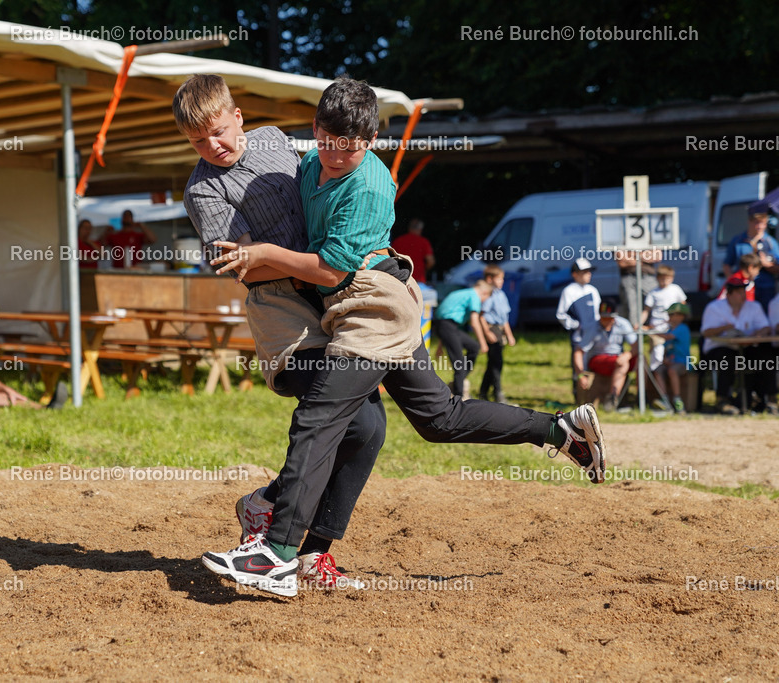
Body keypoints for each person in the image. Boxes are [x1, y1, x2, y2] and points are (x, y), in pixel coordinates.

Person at [203, 76, 607, 597]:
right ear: (315, 128)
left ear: (371, 141)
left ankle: (276, 553)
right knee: (439, 418)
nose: (334, 156)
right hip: (359, 301)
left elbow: (331, 270)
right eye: (325, 142)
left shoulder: (370, 185)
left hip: (372, 303)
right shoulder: (309, 163)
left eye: (348, 149)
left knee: (321, 417)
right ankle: (559, 430)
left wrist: (262, 254)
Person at [173, 73, 386, 589]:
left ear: (238, 117)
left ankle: (306, 547)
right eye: (198, 141)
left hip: (333, 299)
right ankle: (277, 533)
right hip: (280, 313)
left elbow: (323, 190)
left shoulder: (273, 140)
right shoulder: (203, 190)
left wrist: (349, 245)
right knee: (350, 418)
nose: (213, 146)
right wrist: (320, 265)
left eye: (218, 131)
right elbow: (246, 267)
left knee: (369, 429)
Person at [700, 275, 775, 415]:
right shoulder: (714, 308)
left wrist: (757, 335)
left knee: (765, 356)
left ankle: (769, 400)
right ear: (729, 294)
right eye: (739, 292)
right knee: (727, 359)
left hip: (745, 346)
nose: (743, 295)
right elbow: (706, 332)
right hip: (718, 347)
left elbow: (765, 327)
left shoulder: (753, 306)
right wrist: (724, 328)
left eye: (743, 291)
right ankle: (722, 401)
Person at [434, 280, 491, 398]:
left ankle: (457, 382)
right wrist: (483, 342)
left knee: (473, 347)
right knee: (459, 365)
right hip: (447, 327)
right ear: (485, 293)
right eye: (485, 299)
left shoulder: (463, 293)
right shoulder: (475, 296)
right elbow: (474, 322)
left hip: (446, 327)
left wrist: (440, 345)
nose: (483, 302)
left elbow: (444, 316)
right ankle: (459, 398)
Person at [578, 300, 638, 412]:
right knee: (622, 364)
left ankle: (642, 397)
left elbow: (636, 346)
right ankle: (612, 398)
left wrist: (627, 355)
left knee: (641, 360)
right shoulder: (592, 326)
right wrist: (580, 374)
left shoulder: (623, 324)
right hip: (598, 359)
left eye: (609, 318)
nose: (606, 321)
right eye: (604, 318)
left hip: (618, 358)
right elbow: (578, 351)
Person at [556, 257, 601, 400]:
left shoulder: (593, 290)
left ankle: (593, 395)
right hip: (579, 336)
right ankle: (579, 396)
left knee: (592, 362)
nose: (588, 274)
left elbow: (597, 314)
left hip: (593, 335)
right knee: (578, 364)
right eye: (584, 272)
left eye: (589, 271)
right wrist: (576, 325)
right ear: (574, 274)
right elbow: (561, 314)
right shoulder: (569, 291)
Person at [723, 199, 779, 305]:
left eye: (763, 223)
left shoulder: (770, 242)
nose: (760, 226)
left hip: (765, 288)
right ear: (749, 221)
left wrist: (767, 265)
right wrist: (733, 283)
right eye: (756, 222)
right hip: (743, 288)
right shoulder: (738, 241)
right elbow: (727, 265)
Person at [479, 264, 516, 404]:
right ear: (490, 279)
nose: (502, 281)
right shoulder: (488, 295)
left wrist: (509, 335)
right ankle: (498, 393)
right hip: (492, 329)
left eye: (502, 278)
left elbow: (504, 318)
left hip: (500, 330)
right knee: (496, 362)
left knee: (493, 363)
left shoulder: (501, 294)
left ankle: (483, 391)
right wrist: (487, 332)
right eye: (499, 278)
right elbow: (481, 316)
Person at [641, 265, 686, 373]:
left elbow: (682, 305)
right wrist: (640, 323)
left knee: (671, 352)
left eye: (667, 278)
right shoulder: (653, 292)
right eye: (662, 278)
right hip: (657, 328)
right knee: (657, 353)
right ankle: (656, 374)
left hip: (671, 327)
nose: (665, 281)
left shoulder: (675, 289)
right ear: (657, 278)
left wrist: (676, 319)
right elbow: (646, 310)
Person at [654, 303, 692, 414]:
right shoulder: (669, 330)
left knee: (672, 371)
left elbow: (667, 337)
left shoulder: (682, 328)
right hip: (671, 362)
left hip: (683, 363)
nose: (669, 317)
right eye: (669, 314)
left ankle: (677, 399)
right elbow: (666, 348)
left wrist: (652, 331)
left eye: (672, 314)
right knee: (658, 370)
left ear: (681, 316)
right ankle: (664, 399)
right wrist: (664, 359)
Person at [616, 247, 661, 327]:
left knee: (653, 303)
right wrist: (644, 256)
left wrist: (631, 256)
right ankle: (634, 330)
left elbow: (657, 256)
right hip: (628, 277)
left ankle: (653, 328)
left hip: (648, 277)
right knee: (631, 308)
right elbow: (621, 261)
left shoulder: (649, 239)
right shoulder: (621, 240)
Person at [390, 218, 434, 284]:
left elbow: (390, 259)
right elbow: (430, 261)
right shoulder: (424, 242)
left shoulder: (398, 241)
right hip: (418, 279)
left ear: (409, 228)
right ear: (420, 229)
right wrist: (424, 270)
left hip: (400, 278)